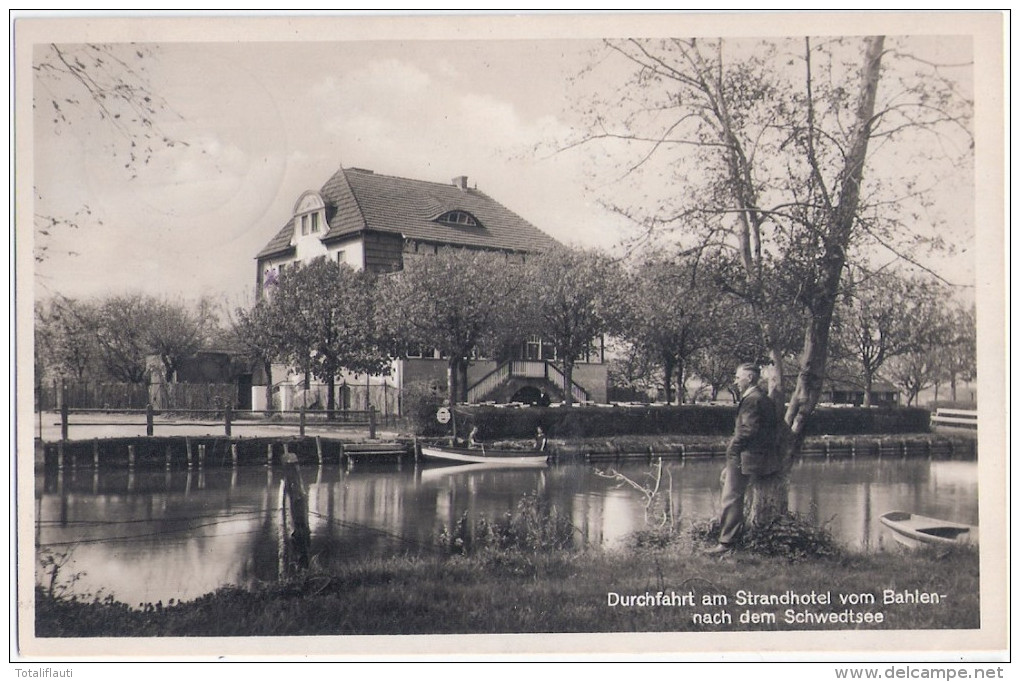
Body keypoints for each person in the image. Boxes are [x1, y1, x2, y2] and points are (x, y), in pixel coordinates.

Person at [707, 362, 779, 554]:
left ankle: (726, 543)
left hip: (746, 456)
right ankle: (734, 537)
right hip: (758, 455)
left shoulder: (751, 400)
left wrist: (732, 449)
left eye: (738, 377)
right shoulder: (762, 398)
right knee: (730, 488)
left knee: (731, 497)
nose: (736, 381)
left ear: (749, 378)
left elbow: (748, 430)